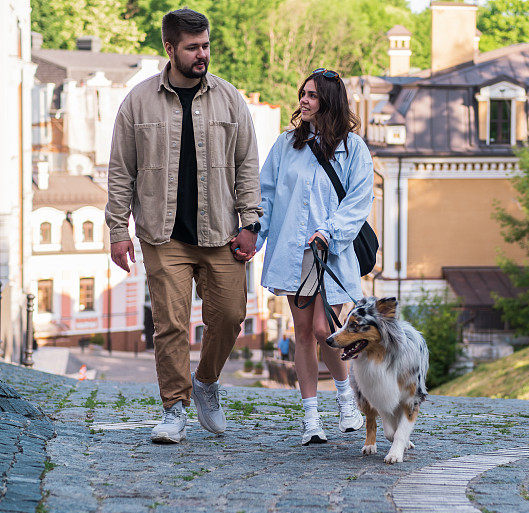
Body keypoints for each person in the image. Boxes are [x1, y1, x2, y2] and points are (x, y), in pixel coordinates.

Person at [105, 8, 262, 444]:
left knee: (230, 316)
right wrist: (118, 230)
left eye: (206, 45)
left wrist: (252, 223)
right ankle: (174, 408)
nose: (202, 54)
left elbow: (247, 164)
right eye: (192, 47)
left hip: (221, 234)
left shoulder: (230, 99)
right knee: (171, 324)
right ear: (169, 49)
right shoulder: (138, 101)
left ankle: (206, 381)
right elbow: (121, 170)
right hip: (162, 234)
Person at [255, 68, 374, 445]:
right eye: (302, 93)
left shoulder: (353, 149)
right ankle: (310, 418)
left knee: (328, 330)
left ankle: (345, 401)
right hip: (294, 251)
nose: (303, 100)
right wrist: (252, 238)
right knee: (303, 333)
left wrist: (330, 231)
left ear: (329, 102)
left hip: (332, 251)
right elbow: (267, 196)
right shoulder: (286, 144)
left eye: (312, 95)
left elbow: (359, 200)